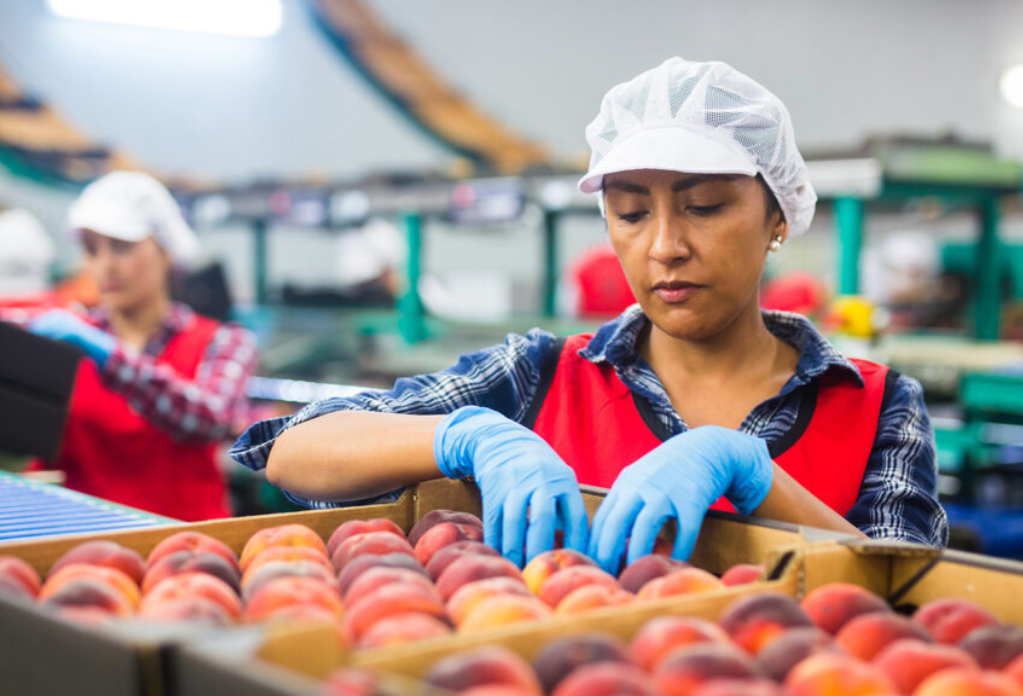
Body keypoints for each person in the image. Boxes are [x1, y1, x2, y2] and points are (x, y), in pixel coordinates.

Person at [231, 58, 946, 572]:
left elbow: (909, 588)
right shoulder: (542, 374)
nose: (664, 246)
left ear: (776, 218)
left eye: (703, 207)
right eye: (630, 213)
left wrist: (754, 477)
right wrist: (465, 434)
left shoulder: (875, 404)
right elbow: (291, 450)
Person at [24, 172, 259, 521]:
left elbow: (210, 418)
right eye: (92, 250)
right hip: (75, 543)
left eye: (122, 246)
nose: (105, 265)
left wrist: (109, 356)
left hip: (185, 548)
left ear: (165, 251)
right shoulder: (62, 337)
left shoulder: (225, 342)